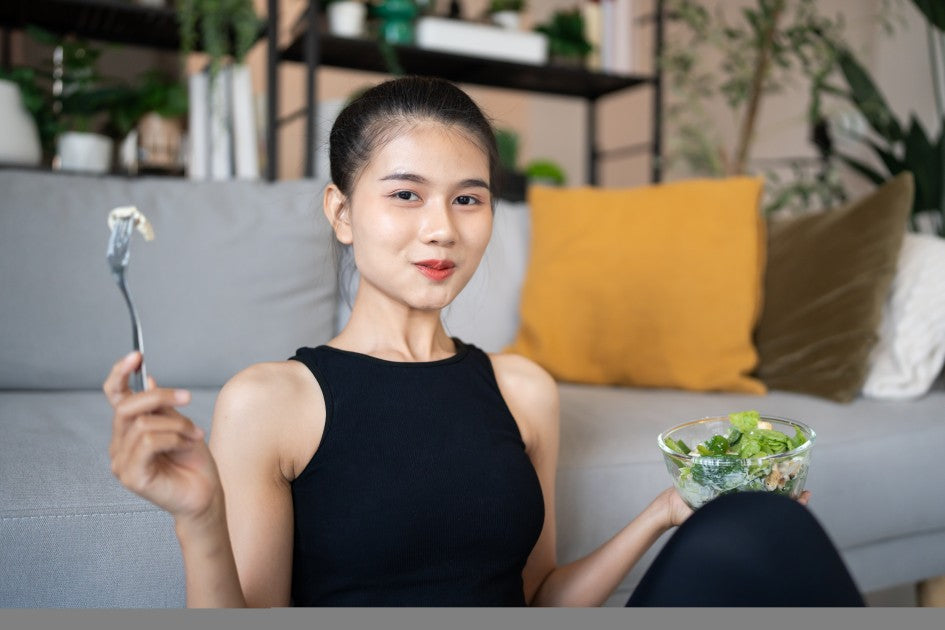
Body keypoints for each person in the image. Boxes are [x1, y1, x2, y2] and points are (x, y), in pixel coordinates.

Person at [103, 76, 863, 608]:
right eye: (405, 194)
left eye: (468, 198)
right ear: (341, 212)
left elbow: (539, 598)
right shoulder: (270, 402)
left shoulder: (521, 389)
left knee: (761, 522)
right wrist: (198, 520)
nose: (441, 228)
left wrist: (670, 509)